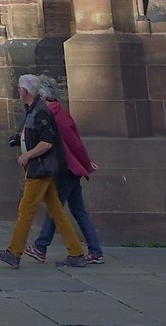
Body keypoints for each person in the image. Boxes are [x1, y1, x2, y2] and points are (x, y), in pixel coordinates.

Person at [0, 75, 92, 267]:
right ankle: (76, 253)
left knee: (26, 209)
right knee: (56, 210)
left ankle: (13, 252)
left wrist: (27, 155)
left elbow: (47, 142)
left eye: (19, 88)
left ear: (26, 91)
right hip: (41, 166)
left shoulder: (40, 111)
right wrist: (18, 139)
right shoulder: (33, 110)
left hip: (40, 167)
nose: (18, 91)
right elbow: (33, 134)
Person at [27, 78, 104, 263]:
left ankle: (40, 247)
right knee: (77, 211)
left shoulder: (54, 116)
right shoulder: (59, 114)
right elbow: (75, 143)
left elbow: (74, 144)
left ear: (44, 98)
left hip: (66, 168)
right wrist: (85, 163)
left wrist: (85, 163)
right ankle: (95, 251)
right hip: (70, 168)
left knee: (56, 209)